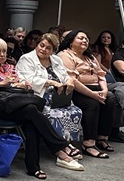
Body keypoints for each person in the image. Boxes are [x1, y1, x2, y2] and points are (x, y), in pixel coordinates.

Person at [0, 39, 83, 179]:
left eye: (4, 51)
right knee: (32, 112)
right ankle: (54, 151)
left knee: (31, 116)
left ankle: (35, 166)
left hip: (16, 106)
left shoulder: (10, 68)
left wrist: (22, 85)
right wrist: (1, 84)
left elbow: (28, 84)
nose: (2, 54)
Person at [16, 33, 84, 169]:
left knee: (75, 111)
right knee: (56, 115)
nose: (43, 49)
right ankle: (62, 152)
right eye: (41, 45)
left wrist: (69, 81)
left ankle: (68, 146)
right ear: (37, 44)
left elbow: (64, 75)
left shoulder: (56, 60)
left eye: (48, 48)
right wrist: (50, 82)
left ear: (53, 51)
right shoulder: (27, 59)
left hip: (57, 98)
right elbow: (28, 81)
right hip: (38, 97)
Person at [57, 30, 120, 159]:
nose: (85, 40)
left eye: (86, 38)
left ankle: (102, 138)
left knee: (110, 100)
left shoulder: (90, 57)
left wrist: (104, 90)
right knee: (92, 104)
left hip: (97, 88)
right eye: (81, 38)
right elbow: (72, 80)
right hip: (76, 90)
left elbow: (101, 75)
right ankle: (88, 143)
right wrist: (93, 94)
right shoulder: (64, 55)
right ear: (71, 42)